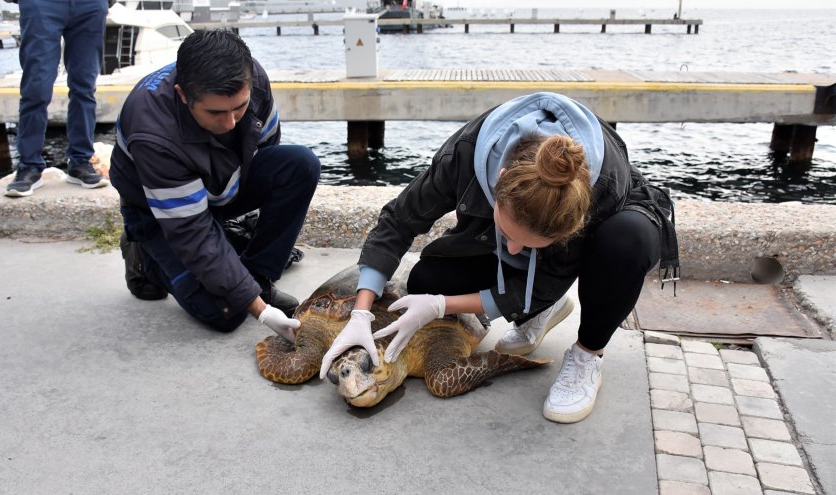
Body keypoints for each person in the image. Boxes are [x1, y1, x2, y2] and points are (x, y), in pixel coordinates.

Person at [320, 92, 678, 423]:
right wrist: (361, 312)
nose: (514, 251)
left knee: (626, 241)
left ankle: (587, 355)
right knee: (427, 281)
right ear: (499, 181)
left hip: (612, 230)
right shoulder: (464, 154)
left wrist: (443, 307)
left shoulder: (604, 185)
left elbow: (550, 277)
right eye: (508, 234)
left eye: (530, 244)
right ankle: (540, 308)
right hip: (528, 230)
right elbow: (398, 221)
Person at [109, 29, 320, 340]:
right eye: (216, 112)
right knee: (226, 313)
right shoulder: (151, 130)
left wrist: (250, 284)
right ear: (183, 95)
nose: (231, 123)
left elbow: (267, 151)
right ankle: (144, 254)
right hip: (160, 213)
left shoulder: (254, 78)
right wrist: (261, 311)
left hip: (217, 185)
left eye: (239, 108)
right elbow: (191, 231)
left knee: (300, 164)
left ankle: (257, 276)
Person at [4, 0, 111, 197]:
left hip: (90, 5)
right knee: (36, 88)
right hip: (42, 4)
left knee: (85, 87)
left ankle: (81, 161)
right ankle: (29, 166)